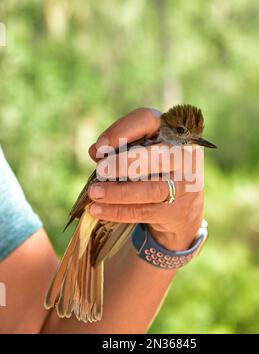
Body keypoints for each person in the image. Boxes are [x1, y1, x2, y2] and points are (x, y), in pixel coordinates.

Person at [0, 108, 206, 333]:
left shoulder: (160, 156)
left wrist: (172, 237)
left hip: (104, 219)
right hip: (95, 211)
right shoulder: (144, 146)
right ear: (169, 128)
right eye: (181, 131)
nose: (190, 141)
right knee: (88, 255)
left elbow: (46, 327)